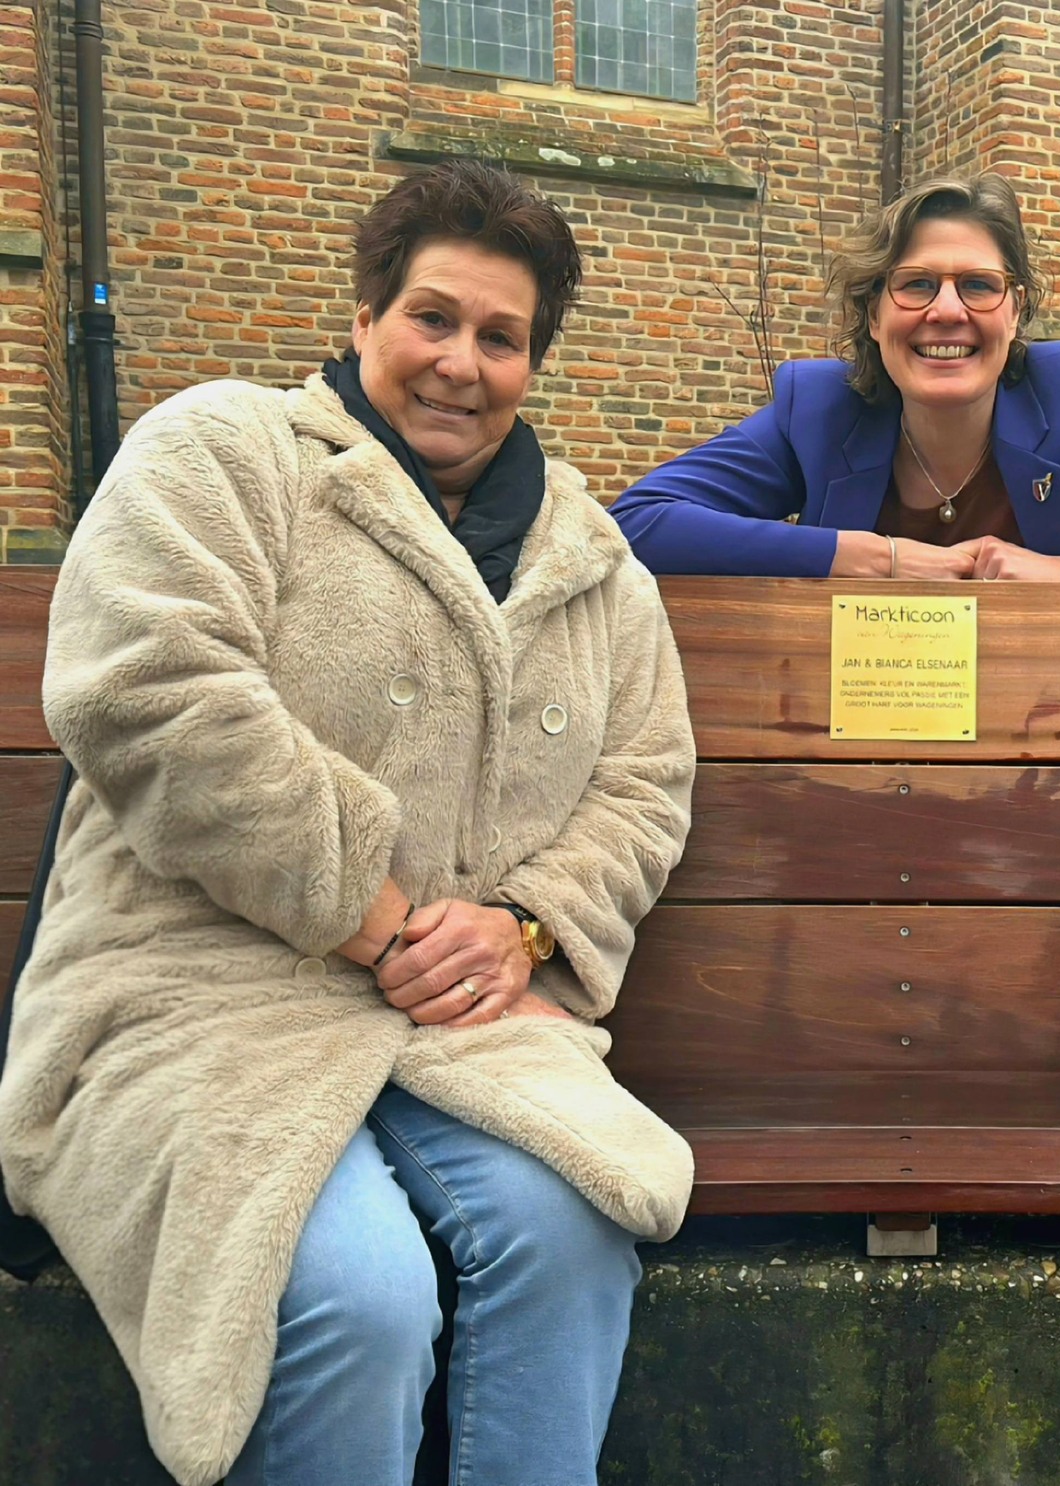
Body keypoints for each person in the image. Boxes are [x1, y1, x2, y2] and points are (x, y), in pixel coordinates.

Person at [0, 161, 696, 1486]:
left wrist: (526, 922)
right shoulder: (220, 451)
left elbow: (646, 783)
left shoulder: (595, 564)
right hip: (194, 998)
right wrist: (378, 921)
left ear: (534, 361)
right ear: (368, 311)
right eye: (435, 317)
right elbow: (151, 693)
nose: (461, 363)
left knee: (572, 1233)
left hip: (465, 1023)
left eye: (501, 337)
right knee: (354, 1298)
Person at [609, 173, 1060, 582]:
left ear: (1016, 309)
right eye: (916, 285)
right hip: (858, 751)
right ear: (873, 316)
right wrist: (874, 557)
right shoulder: (819, 412)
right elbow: (638, 525)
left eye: (979, 286)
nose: (948, 312)